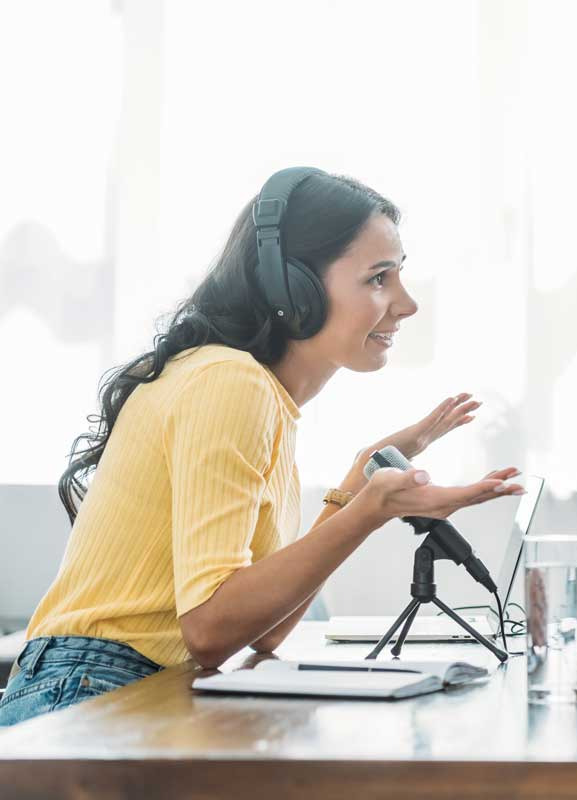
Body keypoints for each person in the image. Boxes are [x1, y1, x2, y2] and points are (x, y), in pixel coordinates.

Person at [0, 168, 523, 726]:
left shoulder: (262, 398)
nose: (407, 303)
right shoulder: (229, 382)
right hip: (89, 688)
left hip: (134, 686)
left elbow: (263, 628)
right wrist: (370, 512)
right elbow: (209, 631)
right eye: (378, 278)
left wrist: (357, 485)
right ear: (291, 288)